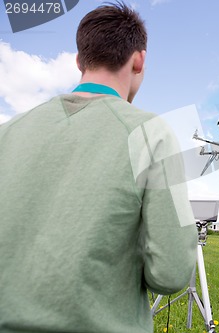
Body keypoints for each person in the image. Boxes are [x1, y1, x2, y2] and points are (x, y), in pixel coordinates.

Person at [0, 2, 197, 333]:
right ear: (139, 60)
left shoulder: (8, 131)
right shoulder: (153, 134)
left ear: (79, 60)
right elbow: (172, 273)